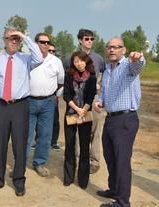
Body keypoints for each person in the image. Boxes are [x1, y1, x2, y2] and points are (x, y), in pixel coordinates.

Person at [0, 27, 43, 196]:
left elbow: (39, 57)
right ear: (3, 40)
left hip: (20, 106)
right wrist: (0, 101)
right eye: (10, 38)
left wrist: (24, 36)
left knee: (19, 145)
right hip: (1, 106)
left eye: (16, 39)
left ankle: (19, 180)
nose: (13, 41)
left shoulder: (26, 59)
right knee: (0, 144)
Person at [94, 37, 145, 207]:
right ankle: (114, 189)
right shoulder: (108, 69)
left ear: (123, 50)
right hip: (110, 118)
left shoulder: (128, 66)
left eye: (117, 47)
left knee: (122, 161)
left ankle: (123, 202)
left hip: (125, 120)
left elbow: (138, 66)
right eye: (109, 47)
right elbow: (104, 92)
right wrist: (100, 101)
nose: (112, 50)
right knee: (110, 157)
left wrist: (138, 58)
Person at [64, 29, 105, 174]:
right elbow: (67, 79)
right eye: (87, 38)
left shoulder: (98, 58)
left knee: (95, 132)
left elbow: (105, 75)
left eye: (92, 39)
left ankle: (94, 161)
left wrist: (100, 86)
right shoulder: (71, 58)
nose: (89, 41)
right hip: (76, 102)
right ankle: (76, 159)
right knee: (76, 132)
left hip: (94, 101)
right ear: (80, 40)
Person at [26, 33, 64, 177]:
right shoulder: (27, 59)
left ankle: (39, 163)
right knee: (26, 135)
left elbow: (61, 81)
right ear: (36, 44)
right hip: (29, 101)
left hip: (48, 102)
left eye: (48, 42)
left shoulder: (56, 61)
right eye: (42, 42)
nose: (46, 45)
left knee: (45, 135)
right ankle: (21, 163)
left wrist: (54, 95)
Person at [63, 51, 97, 189]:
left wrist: (84, 110)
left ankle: (83, 180)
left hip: (86, 114)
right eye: (76, 61)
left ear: (86, 61)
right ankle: (68, 177)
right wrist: (77, 110)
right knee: (70, 146)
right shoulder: (69, 75)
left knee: (84, 147)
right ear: (73, 63)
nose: (79, 64)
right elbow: (66, 95)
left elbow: (91, 96)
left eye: (82, 61)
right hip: (71, 113)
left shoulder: (92, 77)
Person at [48, 43, 62, 150]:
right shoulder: (38, 61)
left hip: (53, 96)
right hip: (39, 96)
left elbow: (61, 80)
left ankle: (54, 141)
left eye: (53, 51)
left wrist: (57, 95)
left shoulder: (57, 62)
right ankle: (38, 140)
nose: (52, 53)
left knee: (54, 120)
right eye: (50, 51)